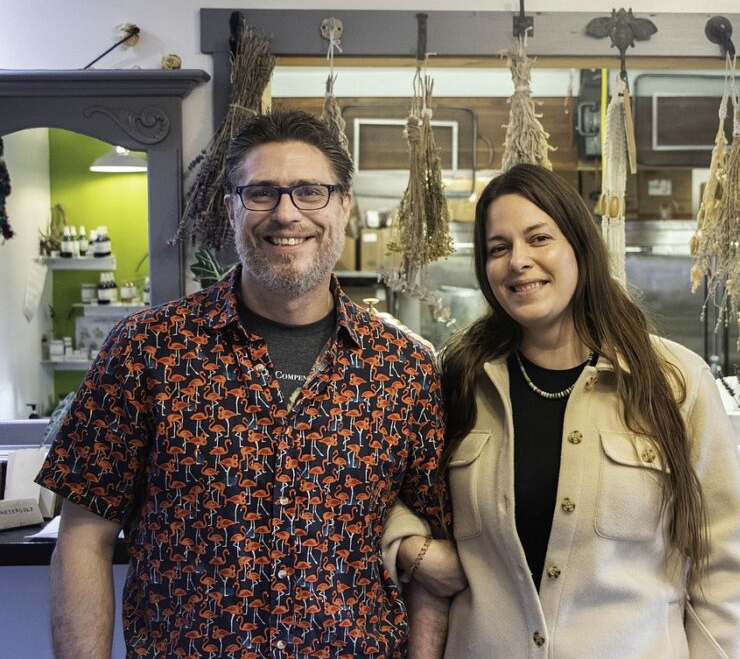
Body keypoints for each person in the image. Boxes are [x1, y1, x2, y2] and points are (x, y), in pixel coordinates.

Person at [36, 110, 452, 658]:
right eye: (261, 192)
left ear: (343, 206)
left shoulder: (404, 369)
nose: (286, 214)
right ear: (232, 207)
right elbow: (83, 536)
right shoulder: (147, 349)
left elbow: (432, 551)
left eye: (310, 191)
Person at [434, 164, 740, 657]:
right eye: (498, 248)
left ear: (580, 247)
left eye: (539, 238)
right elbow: (384, 491)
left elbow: (724, 558)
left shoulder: (673, 381)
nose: (518, 261)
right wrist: (412, 551)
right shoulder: (458, 380)